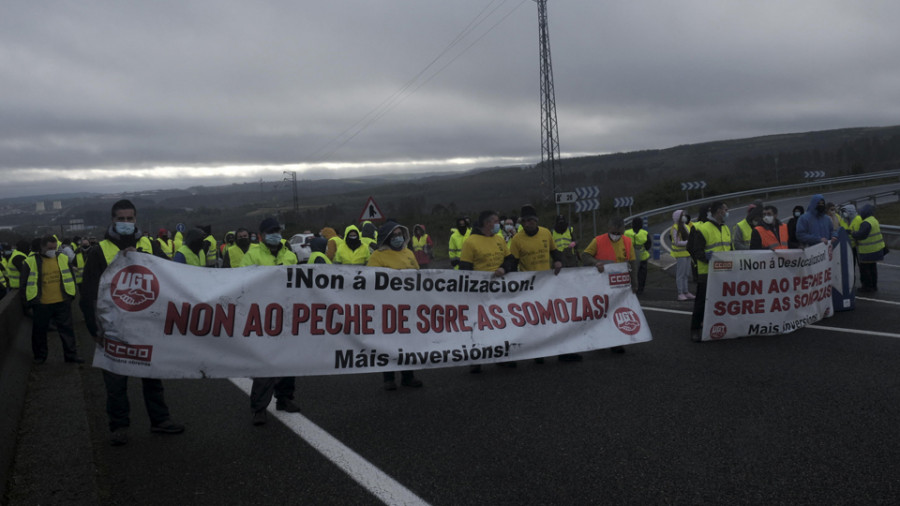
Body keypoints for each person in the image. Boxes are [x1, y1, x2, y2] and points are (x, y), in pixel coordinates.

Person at [81, 199, 184, 446]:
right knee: (115, 380)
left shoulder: (150, 246)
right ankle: (118, 426)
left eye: (130, 218)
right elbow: (88, 294)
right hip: (114, 327)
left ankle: (160, 420)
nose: (126, 223)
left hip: (147, 326)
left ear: (136, 220)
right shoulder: (99, 251)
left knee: (152, 376)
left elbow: (170, 277)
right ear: (113, 220)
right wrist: (94, 328)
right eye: (121, 219)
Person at [240, 217, 302, 425]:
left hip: (288, 314)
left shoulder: (290, 255)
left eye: (277, 231)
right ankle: (259, 407)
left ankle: (284, 398)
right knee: (265, 363)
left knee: (289, 359)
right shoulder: (251, 255)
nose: (275, 235)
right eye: (270, 232)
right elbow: (241, 283)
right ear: (261, 236)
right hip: (263, 317)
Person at [508, 205, 574, 362]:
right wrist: (505, 273)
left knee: (556, 318)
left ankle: (563, 351)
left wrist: (558, 261)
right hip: (529, 286)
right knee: (535, 321)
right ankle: (539, 353)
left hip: (548, 284)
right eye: (525, 221)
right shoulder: (517, 239)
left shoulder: (545, 233)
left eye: (531, 220)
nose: (528, 223)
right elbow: (512, 261)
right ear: (522, 223)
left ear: (536, 220)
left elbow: (555, 251)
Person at [367, 221, 424, 390]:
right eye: (394, 235)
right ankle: (389, 378)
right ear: (386, 237)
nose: (398, 238)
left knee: (407, 342)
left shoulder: (409, 253)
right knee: (388, 343)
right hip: (387, 308)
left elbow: (419, 276)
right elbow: (371, 281)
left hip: (408, 306)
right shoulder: (378, 256)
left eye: (400, 234)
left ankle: (408, 376)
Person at [459, 210, 516, 372]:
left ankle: (500, 356)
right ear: (487, 223)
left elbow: (509, 258)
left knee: (500, 323)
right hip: (479, 293)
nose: (499, 224)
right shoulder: (471, 242)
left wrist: (504, 269)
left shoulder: (499, 239)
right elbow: (465, 269)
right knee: (478, 325)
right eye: (496, 221)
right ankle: (476, 359)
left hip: (499, 291)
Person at [20, 235, 84, 365]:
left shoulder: (63, 258)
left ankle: (71, 356)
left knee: (67, 330)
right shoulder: (30, 262)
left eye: (55, 248)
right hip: (41, 303)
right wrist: (27, 303)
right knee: (39, 332)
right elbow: (24, 283)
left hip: (62, 301)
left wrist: (71, 296)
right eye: (49, 248)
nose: (52, 250)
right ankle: (40, 356)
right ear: (42, 247)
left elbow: (70, 277)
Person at [581, 217, 637, 354]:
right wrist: (595, 262)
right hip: (600, 284)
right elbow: (585, 255)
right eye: (614, 233)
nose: (616, 236)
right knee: (601, 313)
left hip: (619, 285)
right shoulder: (598, 240)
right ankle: (599, 340)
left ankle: (616, 342)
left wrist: (635, 283)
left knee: (617, 313)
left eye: (619, 233)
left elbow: (633, 263)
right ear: (608, 229)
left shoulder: (628, 242)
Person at [688, 201, 731, 342]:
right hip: (707, 272)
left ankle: (717, 326)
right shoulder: (704, 228)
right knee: (701, 301)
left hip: (724, 272)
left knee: (721, 301)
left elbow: (730, 249)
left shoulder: (726, 228)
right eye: (725, 209)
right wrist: (708, 258)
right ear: (719, 212)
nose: (727, 212)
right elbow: (697, 251)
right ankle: (695, 329)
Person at [852, 204, 886, 293]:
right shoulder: (873, 220)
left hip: (867, 251)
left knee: (865, 270)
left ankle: (867, 287)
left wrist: (853, 234)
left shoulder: (866, 223)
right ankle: (874, 286)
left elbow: (861, 235)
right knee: (873, 269)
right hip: (876, 250)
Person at [670, 210, 694, 301]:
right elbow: (677, 242)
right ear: (678, 217)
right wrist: (688, 242)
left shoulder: (686, 226)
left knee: (686, 273)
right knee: (681, 274)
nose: (684, 216)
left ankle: (686, 291)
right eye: (682, 215)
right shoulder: (675, 227)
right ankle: (680, 293)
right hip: (680, 254)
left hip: (687, 253)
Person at [624, 217, 650, 294]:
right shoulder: (644, 233)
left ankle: (632, 287)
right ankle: (640, 289)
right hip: (642, 255)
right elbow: (648, 245)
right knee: (642, 273)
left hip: (630, 255)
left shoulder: (626, 232)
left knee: (631, 272)